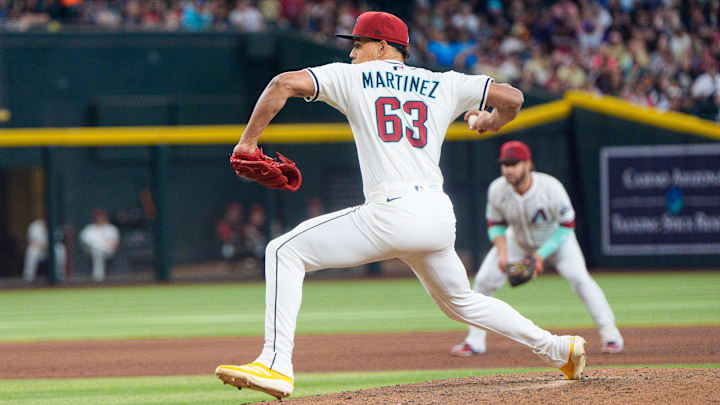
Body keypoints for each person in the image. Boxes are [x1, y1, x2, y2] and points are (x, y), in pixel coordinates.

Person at [215, 11, 587, 400]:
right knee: (461, 302)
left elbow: (282, 83)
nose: (352, 53)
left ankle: (276, 364)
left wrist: (247, 143)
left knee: (282, 250)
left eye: (358, 45)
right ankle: (559, 348)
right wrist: (492, 122)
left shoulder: (354, 77)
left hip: (391, 211)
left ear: (381, 46)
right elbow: (514, 97)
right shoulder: (444, 82)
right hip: (438, 216)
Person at [450, 141, 624, 357]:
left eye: (514, 164)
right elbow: (495, 224)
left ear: (528, 163)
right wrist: (503, 253)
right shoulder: (497, 189)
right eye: (505, 164)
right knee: (484, 280)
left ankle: (611, 334)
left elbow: (567, 226)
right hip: (518, 241)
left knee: (579, 278)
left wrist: (539, 256)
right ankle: (475, 341)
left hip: (556, 241)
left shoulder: (550, 187)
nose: (509, 169)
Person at [79, 209, 120, 282]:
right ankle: (98, 277)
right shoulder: (89, 229)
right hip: (91, 251)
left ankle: (98, 276)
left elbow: (114, 244)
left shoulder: (111, 229)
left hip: (107, 250)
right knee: (97, 250)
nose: (100, 218)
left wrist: (103, 246)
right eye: (98, 217)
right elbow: (84, 242)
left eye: (102, 216)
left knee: (98, 250)